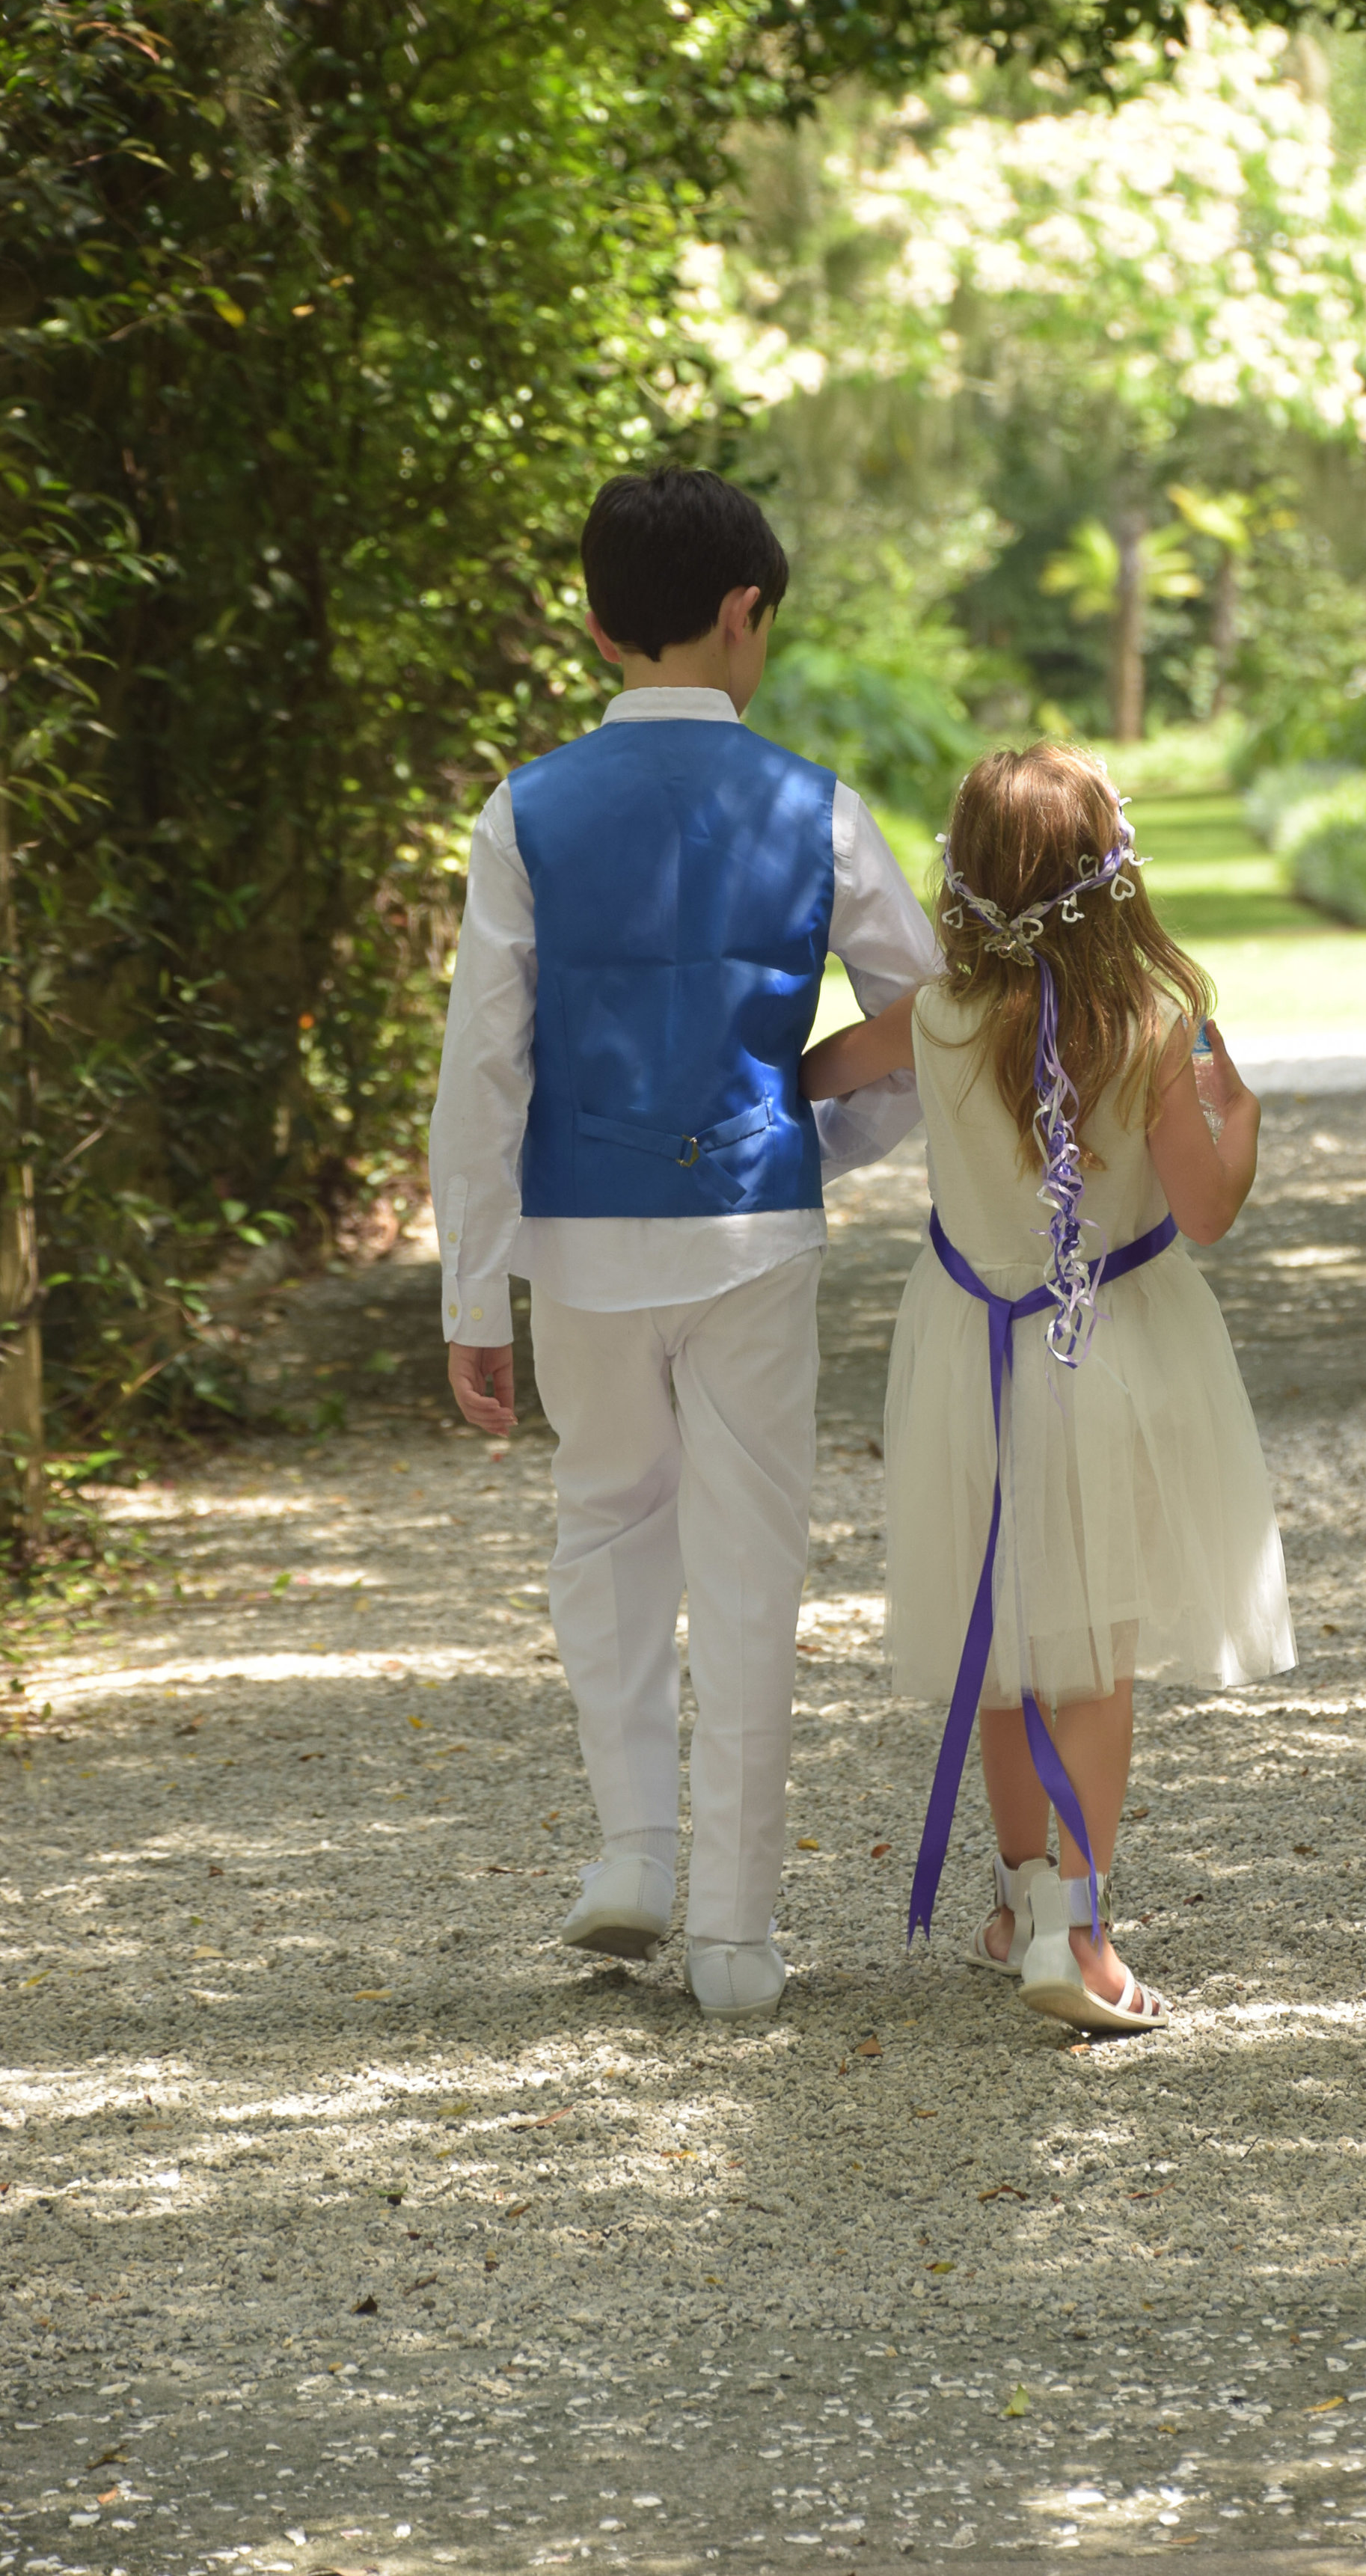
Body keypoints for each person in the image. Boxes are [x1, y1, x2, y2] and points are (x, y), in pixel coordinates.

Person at [429, 466, 938, 2021]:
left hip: (579, 1238)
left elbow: (483, 1064)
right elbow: (929, 1017)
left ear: (593, 627)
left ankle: (633, 1848)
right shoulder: (816, 803)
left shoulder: (523, 810)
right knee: (747, 1559)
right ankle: (735, 1932)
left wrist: (473, 1280)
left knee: (606, 1527)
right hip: (750, 1224)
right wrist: (822, 1140)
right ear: (743, 613)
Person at [800, 742, 1293, 2031]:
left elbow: (807, 1077)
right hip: (1114, 1353)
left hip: (969, 1354)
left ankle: (1027, 1905)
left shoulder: (937, 1018)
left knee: (1006, 1648)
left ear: (962, 877)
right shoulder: (1152, 1023)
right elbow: (1203, 1210)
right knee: (1094, 1659)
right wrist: (1240, 1125)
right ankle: (1074, 1940)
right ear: (1110, 872)